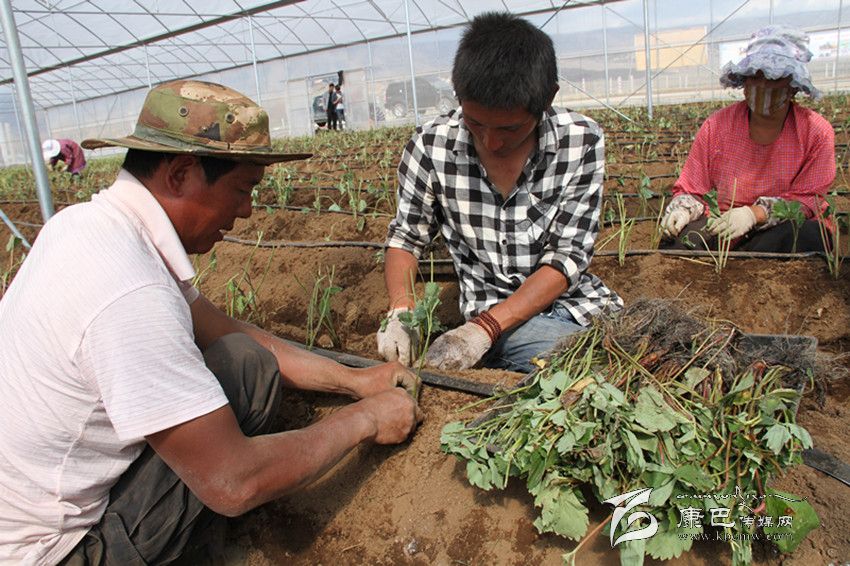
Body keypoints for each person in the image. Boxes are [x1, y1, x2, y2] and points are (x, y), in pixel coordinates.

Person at [0, 80, 421, 565]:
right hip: (52, 551)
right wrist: (366, 419)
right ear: (180, 174)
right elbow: (234, 483)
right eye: (241, 190)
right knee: (226, 463)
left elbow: (223, 330)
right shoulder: (132, 293)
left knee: (245, 364)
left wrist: (352, 380)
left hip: (25, 501)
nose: (247, 210)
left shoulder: (84, 226)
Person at [376, 12, 622, 374]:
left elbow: (567, 255)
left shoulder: (580, 140)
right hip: (500, 320)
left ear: (548, 99)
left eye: (510, 128)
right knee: (594, 361)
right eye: (475, 122)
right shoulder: (431, 147)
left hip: (576, 304)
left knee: (630, 345)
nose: (491, 142)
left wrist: (483, 331)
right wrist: (401, 310)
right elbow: (406, 239)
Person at [660, 25, 835, 253]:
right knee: (678, 241)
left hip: (778, 227)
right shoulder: (717, 126)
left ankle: (742, 263)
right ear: (744, 82)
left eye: (773, 78)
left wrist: (754, 214)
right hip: (724, 223)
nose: (762, 85)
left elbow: (807, 199)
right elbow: (693, 188)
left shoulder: (816, 131)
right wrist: (683, 209)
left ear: (793, 86)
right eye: (755, 76)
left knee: (807, 235)